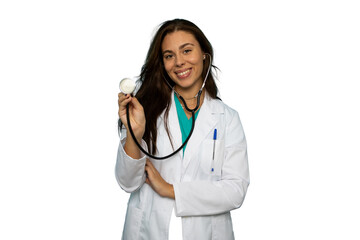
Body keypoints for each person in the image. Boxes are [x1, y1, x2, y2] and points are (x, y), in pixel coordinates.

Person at [116, 19, 249, 240]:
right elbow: (127, 182)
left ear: (204, 54)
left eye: (186, 50)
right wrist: (134, 133)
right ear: (162, 63)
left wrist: (170, 190)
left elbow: (236, 191)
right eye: (169, 56)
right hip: (149, 230)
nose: (179, 62)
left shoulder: (227, 118)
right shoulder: (144, 109)